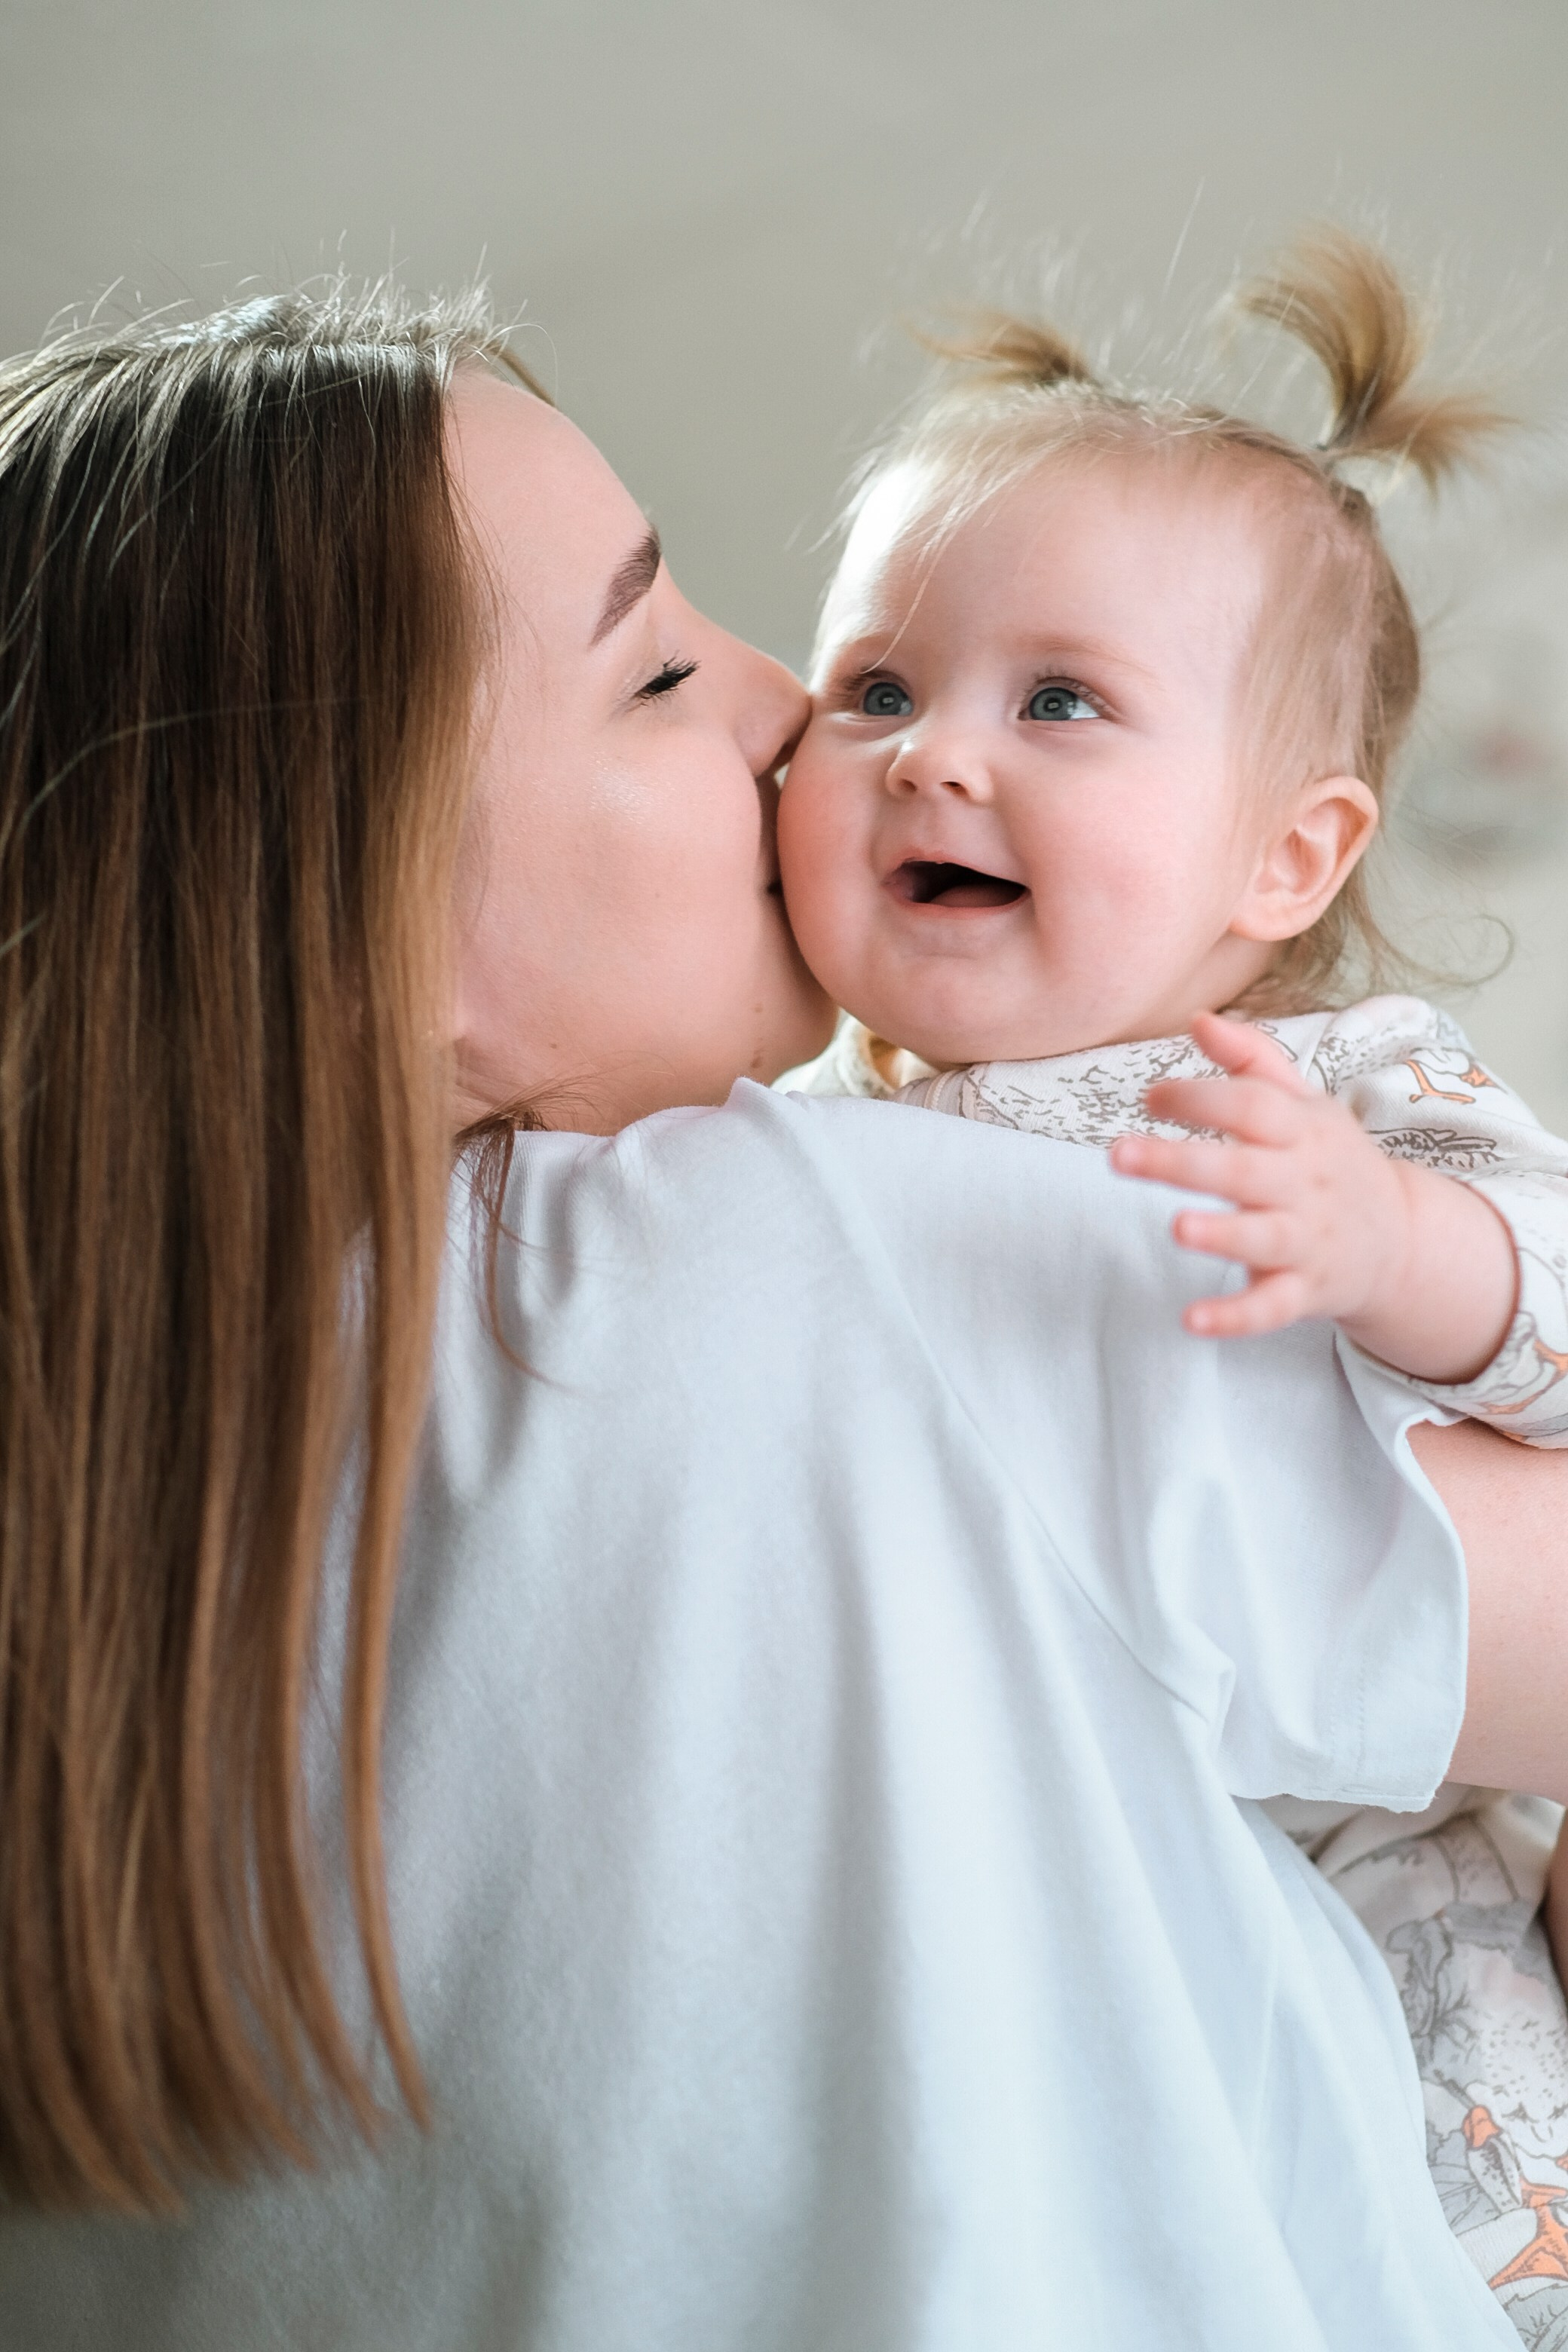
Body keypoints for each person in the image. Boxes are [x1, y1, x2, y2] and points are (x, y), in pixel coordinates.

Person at [0, 283, 1563, 2352]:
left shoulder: (79, 1499)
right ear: (355, 911)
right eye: (655, 669)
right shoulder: (823, 1244)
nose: (793, 715)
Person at [775, 228, 1568, 2329]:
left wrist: (1397, 1249)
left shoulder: (1339, 1090)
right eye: (872, 690)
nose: (934, 756)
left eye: (1060, 701)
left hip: (1399, 1837)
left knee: (1458, 2194)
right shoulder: (797, 1126)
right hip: (1091, 1848)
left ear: (1286, 856)